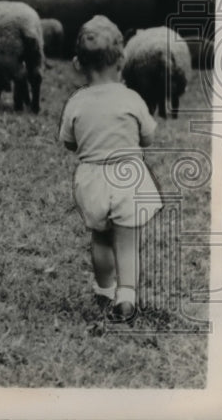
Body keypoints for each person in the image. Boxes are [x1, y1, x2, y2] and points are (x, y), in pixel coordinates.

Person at [58, 16, 163, 323]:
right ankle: (127, 296)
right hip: (127, 177)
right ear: (122, 59)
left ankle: (105, 291)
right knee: (127, 241)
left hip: (92, 180)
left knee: (101, 238)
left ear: (78, 63)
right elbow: (148, 136)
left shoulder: (76, 102)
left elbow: (69, 142)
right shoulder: (131, 98)